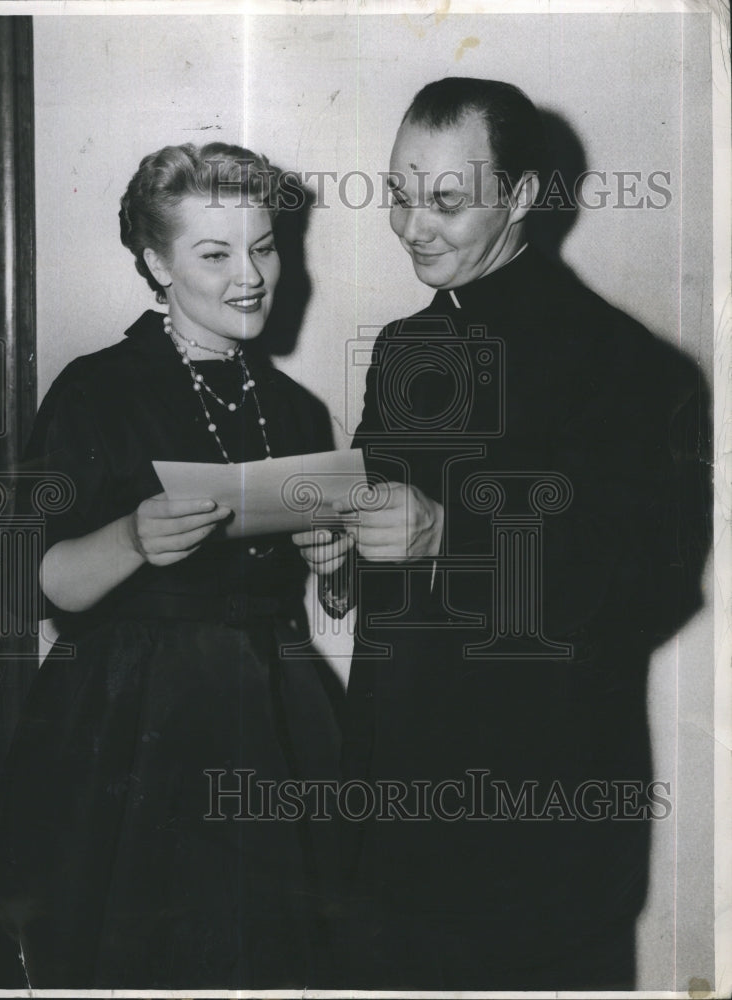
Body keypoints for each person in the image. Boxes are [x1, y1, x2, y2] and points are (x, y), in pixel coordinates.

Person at [294, 78, 710, 990]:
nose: (411, 226)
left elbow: (653, 582)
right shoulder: (408, 346)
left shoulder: (635, 366)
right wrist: (338, 555)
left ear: (521, 198)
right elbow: (381, 537)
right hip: (391, 817)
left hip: (539, 837)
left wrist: (448, 533)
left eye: (446, 200)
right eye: (399, 194)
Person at [0, 142, 341, 989]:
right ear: (154, 261)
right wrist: (130, 539)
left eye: (265, 245)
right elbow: (33, 584)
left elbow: (325, 594)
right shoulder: (97, 390)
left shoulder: (295, 407)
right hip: (131, 731)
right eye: (214, 253)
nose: (250, 276)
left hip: (277, 718)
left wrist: (335, 557)